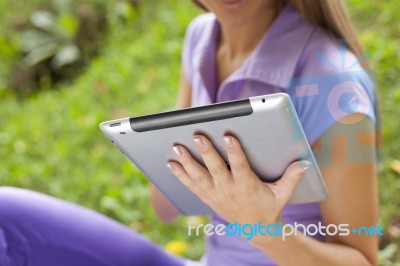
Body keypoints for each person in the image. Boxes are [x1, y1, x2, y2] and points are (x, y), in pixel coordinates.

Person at [0, 0, 379, 265]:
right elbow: (164, 208)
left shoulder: (333, 81)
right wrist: (164, 152)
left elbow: (361, 260)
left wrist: (261, 226)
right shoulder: (201, 37)